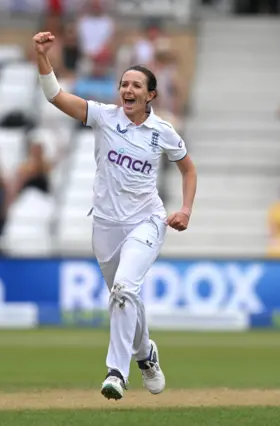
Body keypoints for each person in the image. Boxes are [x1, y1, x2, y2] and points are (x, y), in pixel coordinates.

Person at [32, 32, 198, 400]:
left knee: (124, 289)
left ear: (150, 95)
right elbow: (55, 96)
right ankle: (146, 354)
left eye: (136, 85)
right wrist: (43, 58)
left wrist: (185, 209)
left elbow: (189, 170)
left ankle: (116, 373)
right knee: (125, 297)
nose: (128, 89)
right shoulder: (104, 117)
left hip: (147, 221)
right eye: (124, 83)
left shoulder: (163, 132)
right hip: (106, 225)